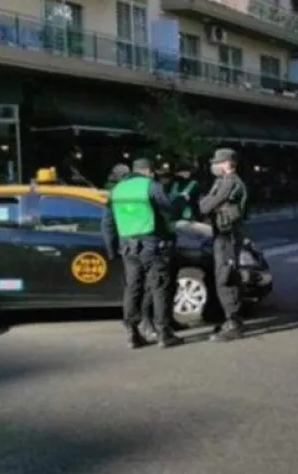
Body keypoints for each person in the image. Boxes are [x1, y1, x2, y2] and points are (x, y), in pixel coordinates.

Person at [101, 158, 183, 349]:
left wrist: (112, 250)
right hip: (151, 243)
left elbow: (107, 224)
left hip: (127, 246)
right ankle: (164, 333)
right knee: (159, 286)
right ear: (148, 171)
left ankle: (132, 333)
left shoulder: (117, 190)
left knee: (133, 288)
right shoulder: (151, 186)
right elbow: (169, 211)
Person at [199, 148, 248, 342]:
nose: (214, 166)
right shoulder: (222, 182)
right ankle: (230, 318)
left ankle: (233, 322)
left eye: (217, 163)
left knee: (226, 277)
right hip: (222, 235)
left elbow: (206, 205)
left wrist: (209, 202)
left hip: (228, 236)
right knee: (225, 276)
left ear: (227, 163)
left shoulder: (231, 183)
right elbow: (206, 204)